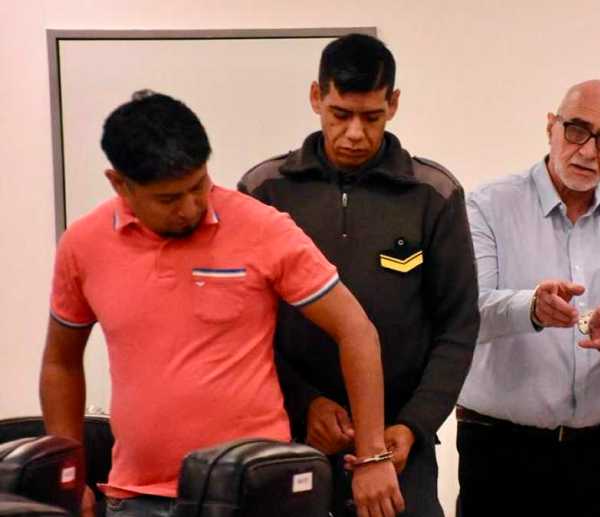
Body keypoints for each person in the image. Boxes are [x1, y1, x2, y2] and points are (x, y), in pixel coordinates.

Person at [39, 91, 404, 517]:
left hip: (256, 494)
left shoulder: (261, 228)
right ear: (119, 183)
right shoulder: (83, 245)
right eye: (169, 199)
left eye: (199, 185)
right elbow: (61, 363)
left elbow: (356, 330)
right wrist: (68, 478)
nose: (190, 207)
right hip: (136, 497)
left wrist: (372, 455)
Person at [239, 34, 479, 517]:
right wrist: (304, 402)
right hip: (288, 436)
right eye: (340, 114)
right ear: (316, 97)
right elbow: (243, 325)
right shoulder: (264, 190)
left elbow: (457, 326)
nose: (354, 133)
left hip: (399, 444)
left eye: (371, 117)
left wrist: (415, 424)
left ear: (393, 104)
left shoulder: (433, 193)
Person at [455, 79, 600, 517]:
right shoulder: (487, 206)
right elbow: (467, 318)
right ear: (550, 126)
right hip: (500, 450)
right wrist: (531, 309)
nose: (589, 152)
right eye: (576, 130)